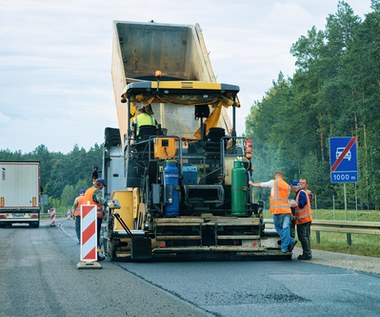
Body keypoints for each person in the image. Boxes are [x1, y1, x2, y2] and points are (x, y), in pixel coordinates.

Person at [249, 170, 297, 253]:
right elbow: (286, 199)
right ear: (282, 176)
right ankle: (288, 243)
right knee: (286, 227)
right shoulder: (287, 186)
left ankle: (286, 245)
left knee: (278, 227)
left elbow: (262, 185)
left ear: (276, 175)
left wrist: (252, 184)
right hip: (287, 210)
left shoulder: (273, 182)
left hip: (278, 210)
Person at [84, 178, 107, 260]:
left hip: (87, 216)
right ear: (99, 184)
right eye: (102, 185)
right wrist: (108, 202)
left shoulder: (88, 190)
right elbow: (100, 200)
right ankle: (95, 255)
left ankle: (89, 254)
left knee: (89, 236)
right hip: (96, 217)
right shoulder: (97, 191)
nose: (102, 187)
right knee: (95, 236)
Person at [290, 180, 313, 260]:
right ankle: (308, 253)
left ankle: (307, 254)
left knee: (303, 237)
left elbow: (302, 203)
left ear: (295, 186)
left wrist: (295, 204)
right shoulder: (300, 193)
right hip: (305, 219)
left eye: (293, 187)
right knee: (306, 237)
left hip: (303, 219)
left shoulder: (301, 193)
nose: (292, 188)